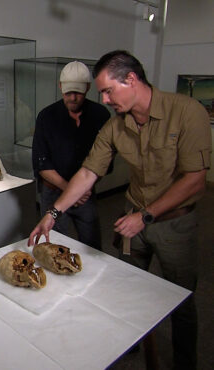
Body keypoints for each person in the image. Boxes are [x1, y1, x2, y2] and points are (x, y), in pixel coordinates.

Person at [28, 50, 212, 369]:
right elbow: (87, 173)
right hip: (132, 220)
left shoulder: (187, 111)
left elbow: (195, 181)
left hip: (173, 224)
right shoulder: (116, 127)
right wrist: (52, 213)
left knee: (181, 299)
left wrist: (146, 216)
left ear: (131, 79)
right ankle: (132, 345)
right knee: (127, 288)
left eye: (108, 90)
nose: (104, 99)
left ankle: (185, 362)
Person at [32, 61, 110, 250]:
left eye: (78, 93)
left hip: (86, 193)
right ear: (60, 86)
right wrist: (73, 190)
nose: (73, 98)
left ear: (88, 88)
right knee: (55, 246)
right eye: (68, 92)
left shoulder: (100, 115)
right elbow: (42, 164)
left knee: (92, 246)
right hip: (54, 192)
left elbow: (106, 159)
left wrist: (85, 189)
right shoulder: (47, 117)